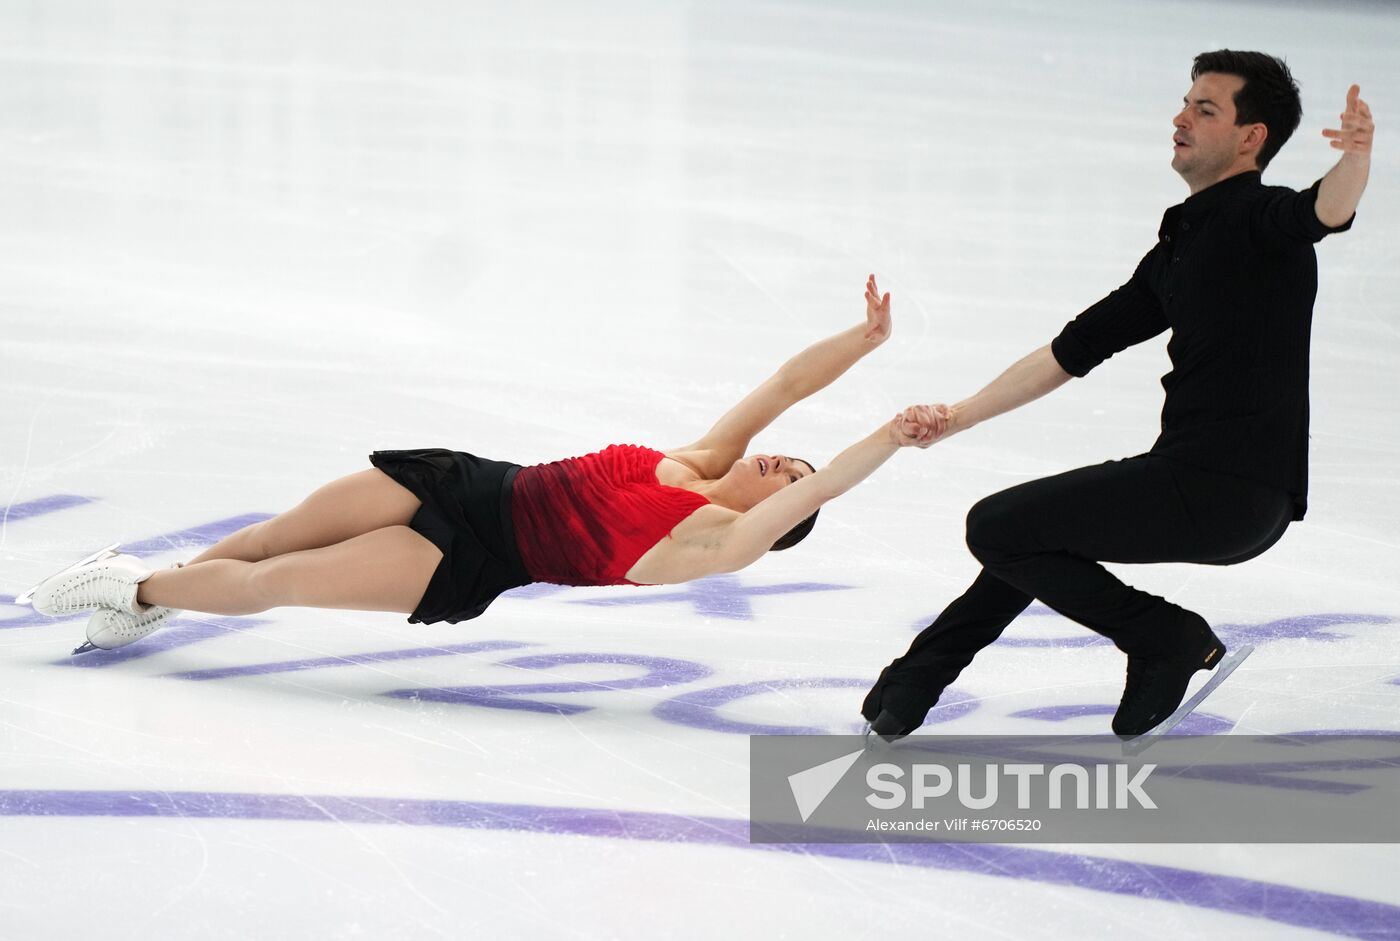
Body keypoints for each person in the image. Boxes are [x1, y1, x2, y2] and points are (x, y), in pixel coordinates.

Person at [863, 51, 1373, 740]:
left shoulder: (1261, 221)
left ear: (1251, 138)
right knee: (1030, 533)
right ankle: (918, 680)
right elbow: (1071, 350)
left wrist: (1357, 158)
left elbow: (1323, 210)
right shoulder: (1181, 248)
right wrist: (954, 417)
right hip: (1199, 483)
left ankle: (1167, 637)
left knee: (998, 526)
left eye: (1205, 108)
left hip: (1229, 489)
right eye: (1186, 102)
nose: (1180, 118)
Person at [28, 275, 944, 654]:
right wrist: (863, 343)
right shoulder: (704, 457)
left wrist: (884, 441)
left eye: (789, 480)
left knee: (281, 581)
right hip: (466, 481)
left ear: (774, 515)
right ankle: (158, 593)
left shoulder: (716, 541)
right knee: (271, 535)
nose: (785, 464)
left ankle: (134, 587)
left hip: (471, 554)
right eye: (785, 462)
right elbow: (785, 382)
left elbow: (823, 484)